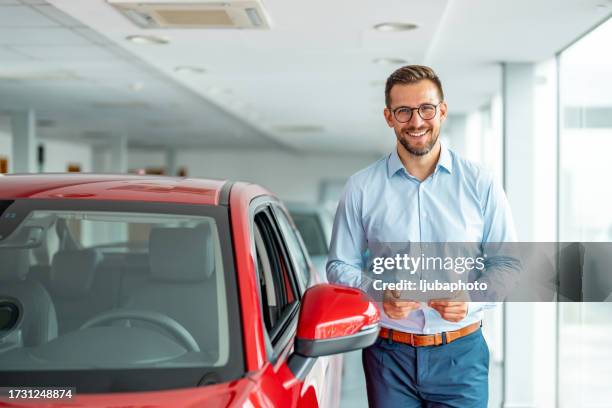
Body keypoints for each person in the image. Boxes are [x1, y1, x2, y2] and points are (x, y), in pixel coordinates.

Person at [326, 65, 517, 407]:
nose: (416, 122)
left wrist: (471, 297)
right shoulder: (362, 187)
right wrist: (379, 292)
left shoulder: (480, 183)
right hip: (388, 357)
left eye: (426, 109)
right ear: (389, 117)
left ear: (442, 111)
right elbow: (340, 264)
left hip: (462, 355)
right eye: (404, 111)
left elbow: (509, 265)